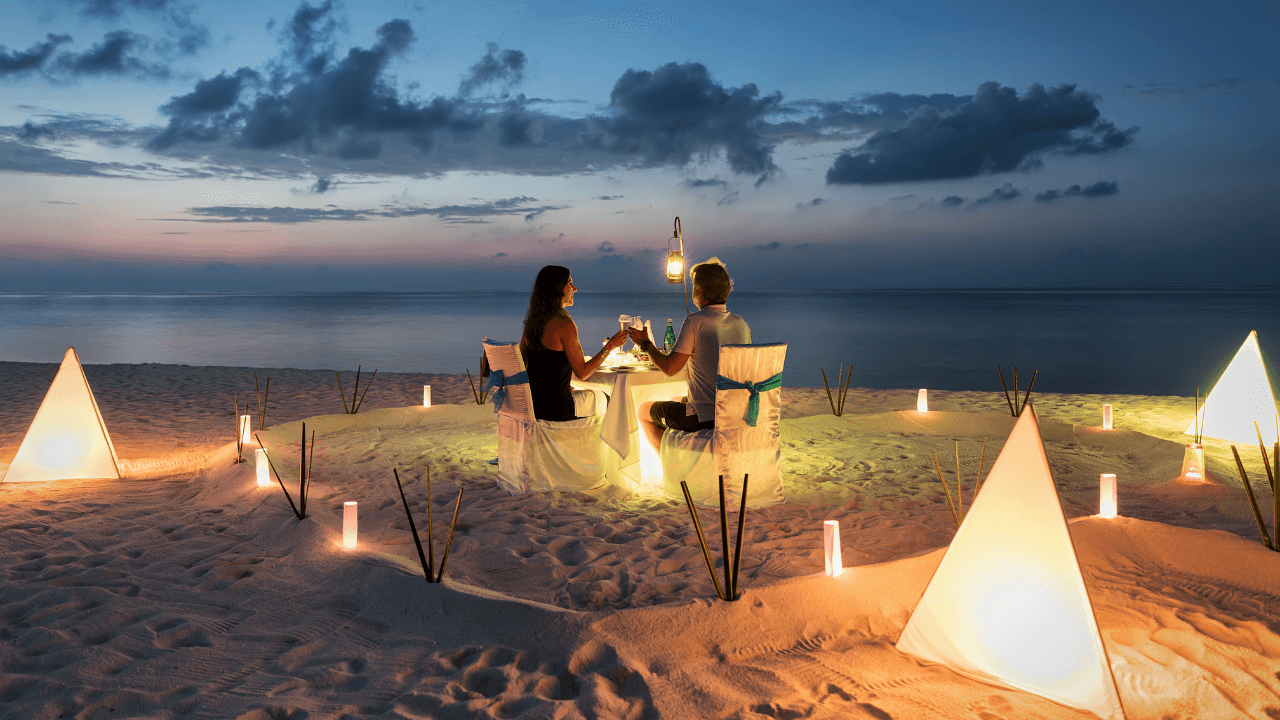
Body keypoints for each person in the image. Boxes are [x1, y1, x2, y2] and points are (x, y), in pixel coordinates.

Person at [628, 257, 750, 450]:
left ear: (698, 291)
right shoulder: (741, 324)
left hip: (704, 418)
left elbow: (669, 368)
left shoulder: (695, 321)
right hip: (736, 414)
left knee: (644, 410)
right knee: (677, 399)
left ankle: (673, 472)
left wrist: (645, 343)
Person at [520, 265, 629, 421]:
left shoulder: (533, 321)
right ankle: (605, 444)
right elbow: (583, 373)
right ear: (558, 288)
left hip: (534, 405)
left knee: (590, 394)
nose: (575, 289)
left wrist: (556, 386)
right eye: (570, 283)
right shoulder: (564, 324)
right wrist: (611, 345)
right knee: (611, 400)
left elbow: (523, 364)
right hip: (557, 409)